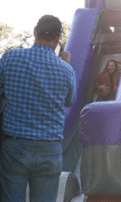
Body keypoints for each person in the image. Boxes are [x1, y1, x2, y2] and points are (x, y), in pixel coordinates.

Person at [0, 15, 76, 202]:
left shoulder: (10, 58)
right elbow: (69, 101)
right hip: (50, 147)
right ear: (58, 39)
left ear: (35, 31)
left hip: (15, 145)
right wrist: (65, 63)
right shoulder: (66, 69)